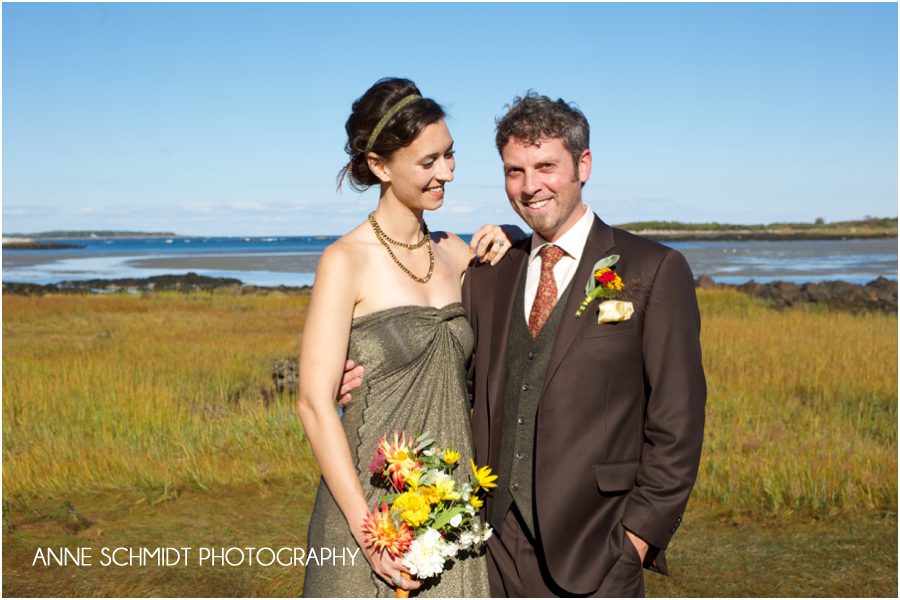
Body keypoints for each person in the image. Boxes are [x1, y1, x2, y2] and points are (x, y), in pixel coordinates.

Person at [342, 92, 706, 597]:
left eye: (545, 166)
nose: (530, 186)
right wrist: (365, 376)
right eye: (514, 171)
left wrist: (637, 540)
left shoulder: (652, 269)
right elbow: (452, 375)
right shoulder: (491, 273)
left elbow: (678, 423)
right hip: (488, 552)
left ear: (584, 165)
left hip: (598, 550)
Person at [298, 77, 517, 598]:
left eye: (450, 155)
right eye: (428, 162)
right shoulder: (343, 261)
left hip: (454, 500)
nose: (447, 172)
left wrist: (514, 243)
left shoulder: (457, 253)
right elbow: (313, 404)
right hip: (369, 504)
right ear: (380, 166)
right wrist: (366, 531)